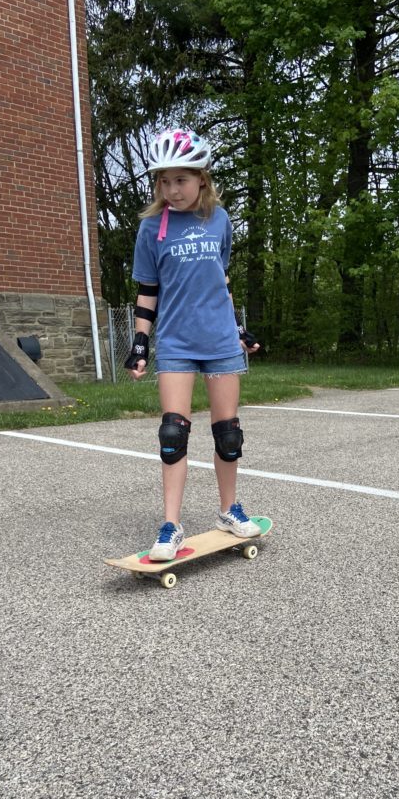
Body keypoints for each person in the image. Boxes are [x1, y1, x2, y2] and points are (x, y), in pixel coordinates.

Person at [124, 128, 262, 560]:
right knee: (172, 434)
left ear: (202, 177)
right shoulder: (151, 228)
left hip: (220, 340)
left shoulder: (219, 220)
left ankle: (228, 511)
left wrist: (239, 330)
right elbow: (149, 290)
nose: (171, 190)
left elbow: (220, 280)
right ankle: (170, 526)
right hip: (178, 342)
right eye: (163, 181)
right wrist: (141, 343)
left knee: (228, 434)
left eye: (180, 180)